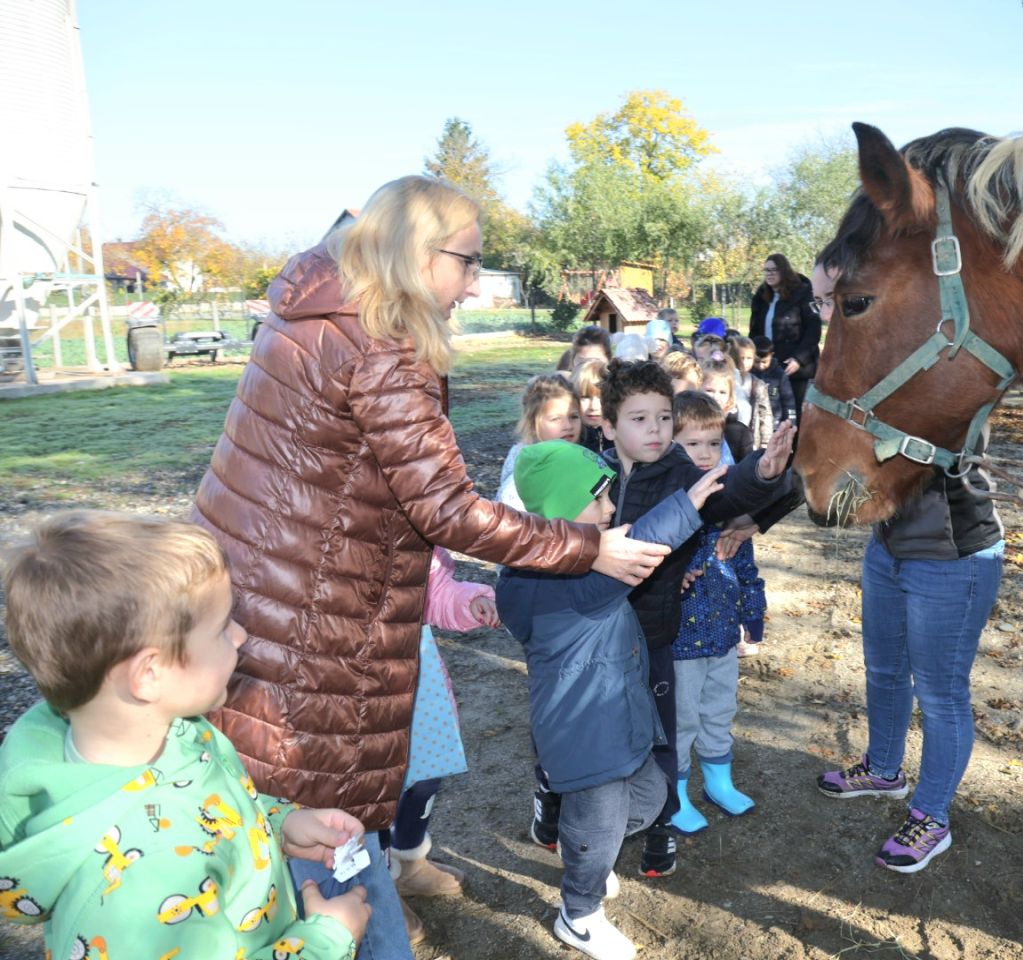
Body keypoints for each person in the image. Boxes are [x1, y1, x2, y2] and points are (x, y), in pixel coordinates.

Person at [192, 175, 669, 960]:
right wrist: (589, 547)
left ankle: (373, 891)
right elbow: (446, 510)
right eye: (468, 261)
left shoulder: (319, 312)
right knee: (322, 807)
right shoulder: (379, 344)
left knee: (301, 809)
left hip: (265, 594)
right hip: (313, 620)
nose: (475, 281)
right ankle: (360, 924)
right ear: (418, 253)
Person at [0, 512, 370, 959]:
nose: (240, 635)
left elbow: (204, 808)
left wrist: (280, 824)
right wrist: (326, 940)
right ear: (149, 675)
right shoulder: (145, 876)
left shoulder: (170, 734)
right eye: (220, 628)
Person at [530, 360, 796, 879]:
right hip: (587, 638)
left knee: (662, 733)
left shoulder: (678, 472)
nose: (655, 431)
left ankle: (661, 824)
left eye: (662, 418)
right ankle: (552, 793)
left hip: (652, 636)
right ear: (607, 426)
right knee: (577, 732)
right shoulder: (589, 476)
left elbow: (725, 493)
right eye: (638, 419)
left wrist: (762, 473)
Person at [807, 260, 1005, 873]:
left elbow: (944, 440)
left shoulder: (943, 353)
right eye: (818, 304)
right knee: (884, 670)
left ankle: (932, 816)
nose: (826, 315)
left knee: (942, 693)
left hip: (951, 555)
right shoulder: (856, 360)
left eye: (834, 300)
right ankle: (884, 769)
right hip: (890, 546)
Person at [498, 442, 726, 960]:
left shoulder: (572, 571)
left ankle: (585, 852)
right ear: (560, 511)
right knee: (598, 820)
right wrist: (687, 504)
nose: (609, 510)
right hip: (584, 730)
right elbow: (645, 543)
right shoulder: (563, 581)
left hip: (616, 718)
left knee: (648, 795)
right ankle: (578, 914)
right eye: (598, 499)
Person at [385, 546, 497, 945]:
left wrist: (470, 601)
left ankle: (408, 861)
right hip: (355, 677)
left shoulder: (416, 518)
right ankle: (376, 889)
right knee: (372, 790)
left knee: (425, 776)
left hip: (416, 672)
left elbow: (433, 587)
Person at [667, 393, 768, 834]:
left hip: (724, 637)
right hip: (681, 643)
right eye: (693, 444)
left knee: (719, 710)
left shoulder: (727, 503)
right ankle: (675, 795)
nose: (705, 454)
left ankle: (718, 782)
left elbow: (745, 563)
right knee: (682, 718)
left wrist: (753, 609)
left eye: (712, 443)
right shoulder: (670, 505)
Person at [497, 373, 583, 510]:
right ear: (532, 423)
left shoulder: (584, 456)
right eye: (555, 419)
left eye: (573, 417)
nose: (568, 425)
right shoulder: (525, 467)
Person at [748, 254, 820, 413]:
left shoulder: (802, 293)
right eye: (766, 270)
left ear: (784, 271)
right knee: (765, 412)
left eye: (774, 270)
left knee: (791, 415)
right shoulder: (761, 297)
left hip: (792, 368)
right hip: (765, 366)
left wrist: (799, 359)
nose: (769, 273)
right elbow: (754, 332)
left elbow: (813, 329)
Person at [699, 357, 753, 461]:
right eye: (709, 390)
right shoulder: (688, 427)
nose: (716, 397)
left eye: (722, 392)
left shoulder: (740, 433)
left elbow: (747, 469)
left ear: (730, 398)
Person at [727, 335, 772, 446]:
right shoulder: (725, 380)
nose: (745, 363)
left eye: (749, 358)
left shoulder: (757, 384)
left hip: (750, 437)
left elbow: (765, 413)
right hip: (728, 435)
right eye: (741, 358)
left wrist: (766, 441)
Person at [752, 335, 796, 427]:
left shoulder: (779, 375)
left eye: (764, 362)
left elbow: (788, 401)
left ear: (771, 355)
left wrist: (790, 423)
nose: (760, 366)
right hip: (752, 423)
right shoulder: (748, 373)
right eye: (756, 361)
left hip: (774, 424)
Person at [573, 358, 610, 454]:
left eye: (601, 398)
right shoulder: (569, 437)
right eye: (585, 397)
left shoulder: (623, 437)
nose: (593, 407)